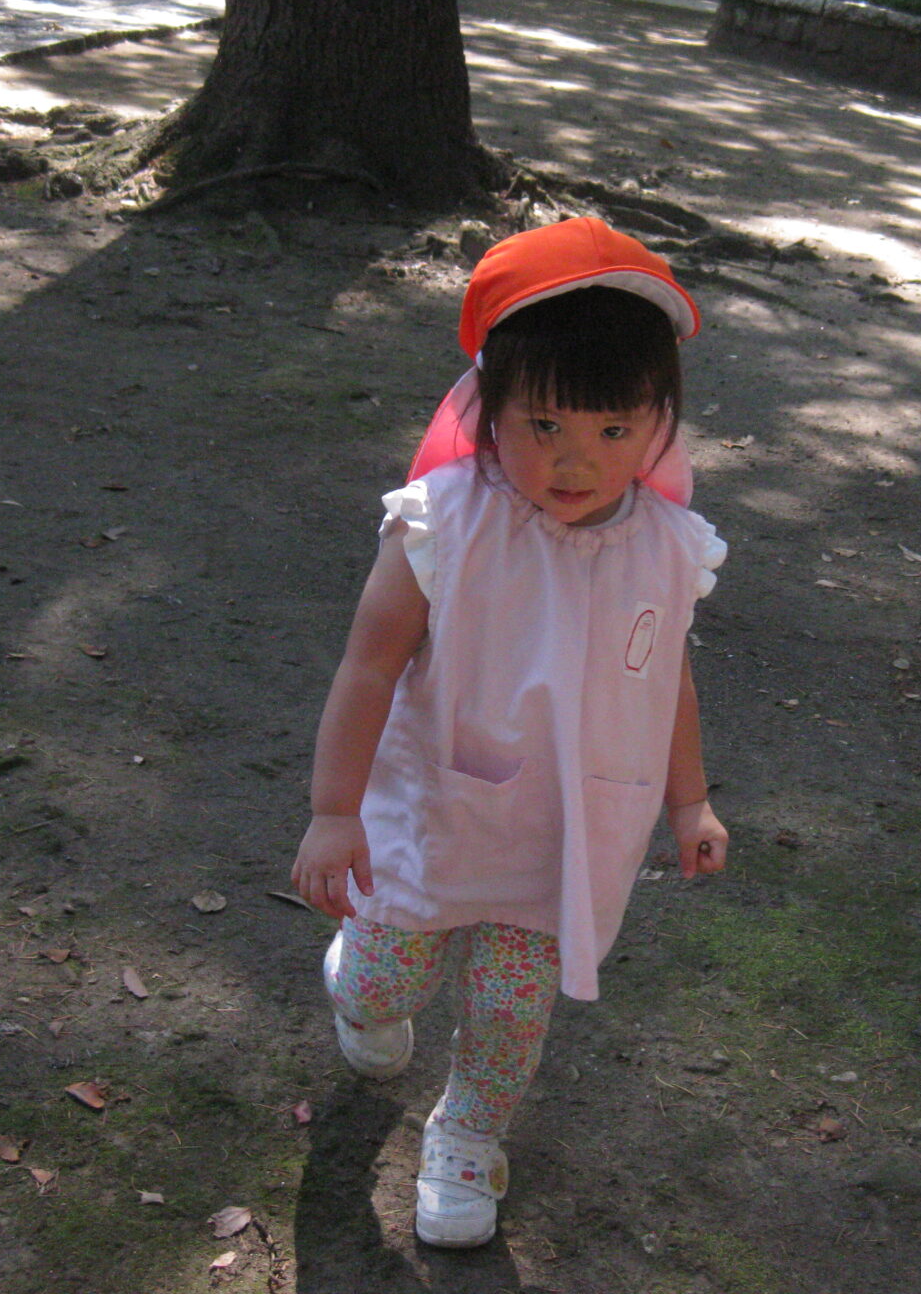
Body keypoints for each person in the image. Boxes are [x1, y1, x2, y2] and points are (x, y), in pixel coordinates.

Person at [290, 216, 729, 1248]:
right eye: (545, 426)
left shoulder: (668, 548)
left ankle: (469, 1133)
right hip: (435, 815)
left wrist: (692, 800)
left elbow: (666, 676)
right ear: (488, 406)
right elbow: (369, 665)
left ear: (659, 422)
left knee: (509, 1004)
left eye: (615, 431)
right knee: (390, 978)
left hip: (566, 834)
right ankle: (359, 985)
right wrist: (332, 812)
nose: (577, 462)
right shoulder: (443, 525)